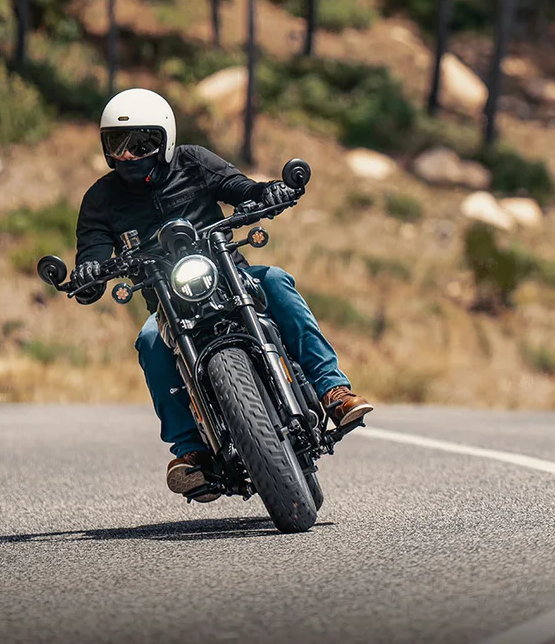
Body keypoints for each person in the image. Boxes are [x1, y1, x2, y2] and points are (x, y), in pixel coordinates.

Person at [72, 88, 373, 498]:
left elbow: (239, 187)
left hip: (231, 278)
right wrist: (89, 270)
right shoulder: (100, 199)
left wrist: (268, 193)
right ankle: (190, 451)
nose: (127, 154)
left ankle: (333, 390)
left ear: (165, 139)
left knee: (277, 280)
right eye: (116, 144)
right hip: (169, 306)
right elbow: (92, 250)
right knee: (149, 341)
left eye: (140, 143)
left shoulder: (193, 161)